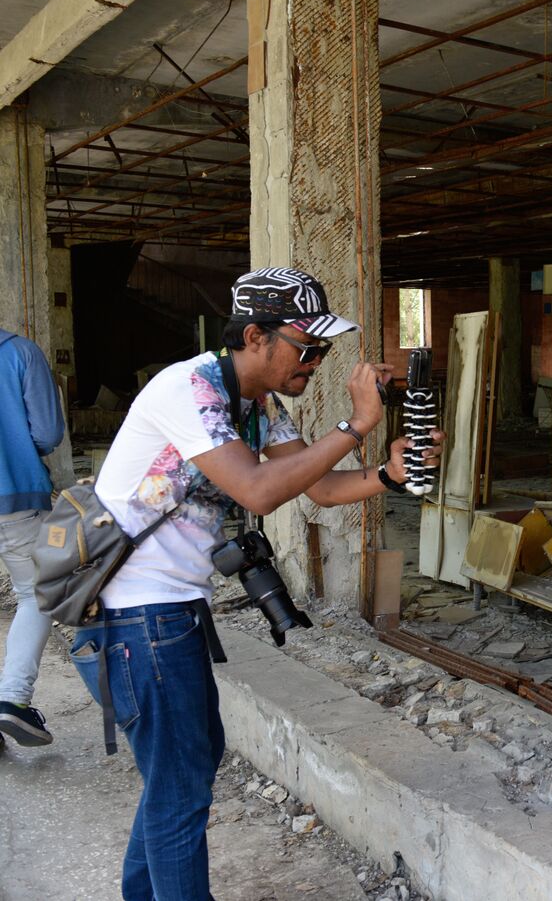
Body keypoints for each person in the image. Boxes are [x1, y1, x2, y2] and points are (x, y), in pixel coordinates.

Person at [69, 266, 441, 900]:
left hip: (168, 613)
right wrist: (355, 425)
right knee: (180, 787)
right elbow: (260, 492)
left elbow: (316, 486)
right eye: (306, 347)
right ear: (254, 337)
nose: (316, 362)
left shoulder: (256, 404)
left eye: (323, 349)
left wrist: (387, 472)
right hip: (135, 618)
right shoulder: (187, 390)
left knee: (185, 771)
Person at [0, 326, 67, 750]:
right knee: (36, 594)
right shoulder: (20, 353)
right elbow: (46, 433)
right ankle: (12, 700)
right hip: (16, 496)